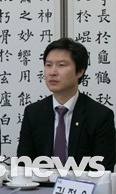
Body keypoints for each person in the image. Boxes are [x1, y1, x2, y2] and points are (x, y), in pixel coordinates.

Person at [17, 38, 115, 171]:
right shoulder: (33, 113)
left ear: (80, 71)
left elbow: (102, 170)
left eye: (61, 65)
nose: (52, 72)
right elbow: (24, 165)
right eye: (48, 65)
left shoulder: (100, 116)